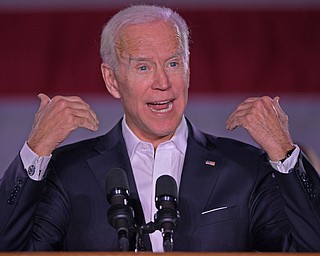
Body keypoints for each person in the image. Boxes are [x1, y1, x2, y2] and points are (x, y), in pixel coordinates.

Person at [0, 4, 319, 252]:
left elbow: (310, 247)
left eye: (173, 63)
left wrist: (284, 153)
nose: (163, 83)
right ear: (112, 80)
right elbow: (11, 249)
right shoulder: (70, 172)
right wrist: (36, 150)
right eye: (143, 66)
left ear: (189, 70)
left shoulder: (244, 168)